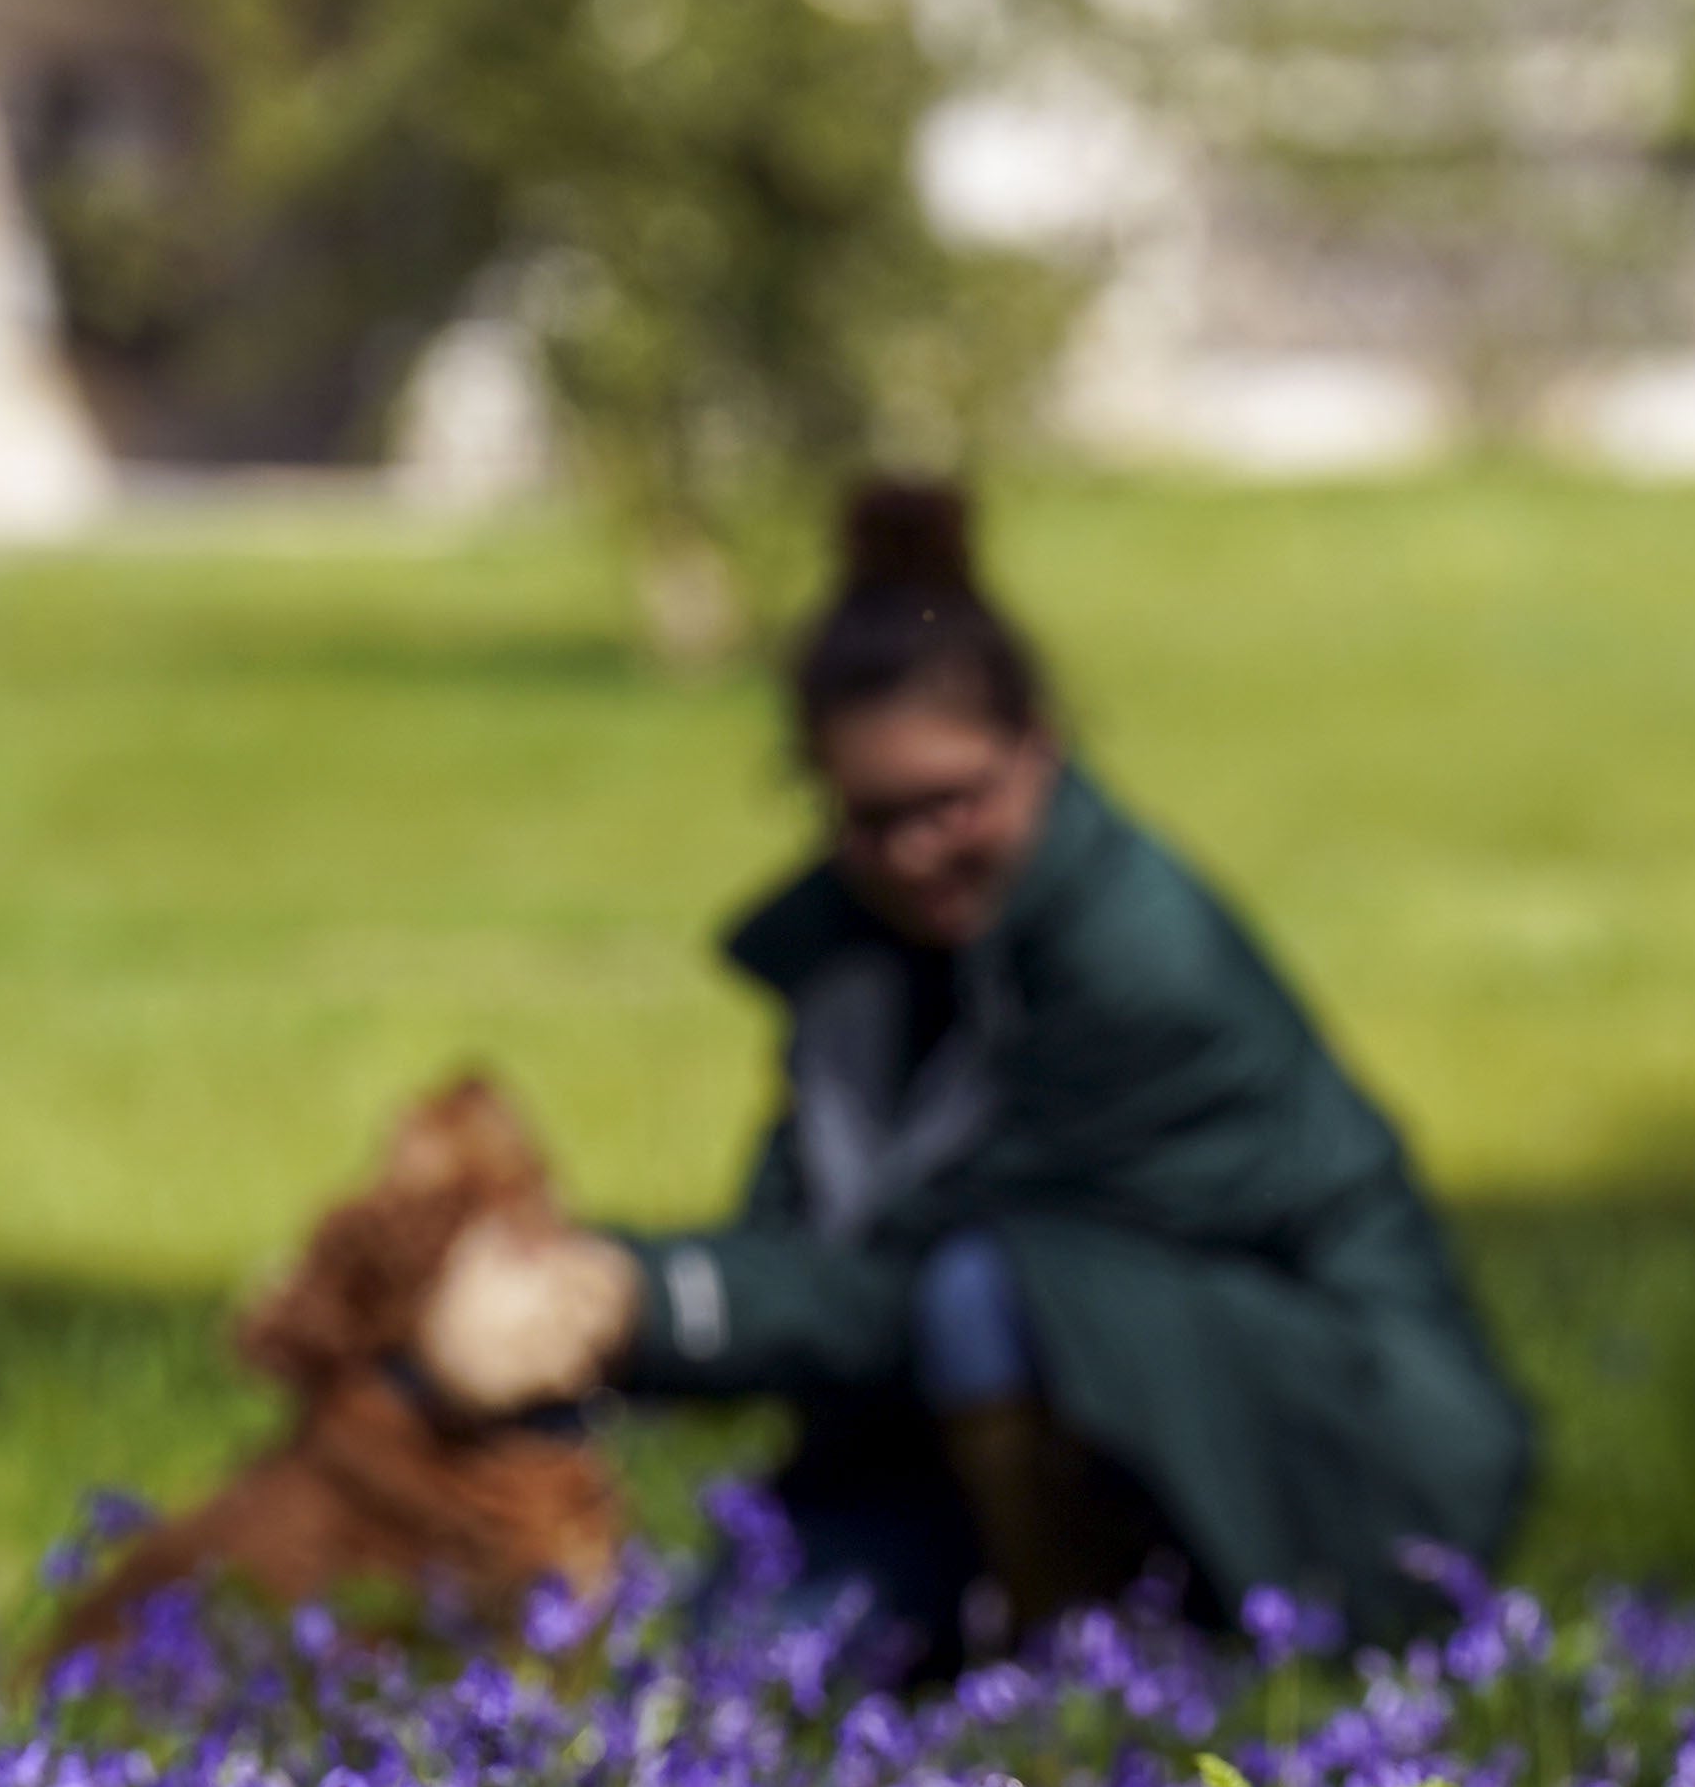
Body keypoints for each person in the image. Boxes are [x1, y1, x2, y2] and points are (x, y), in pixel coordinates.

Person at [417, 479, 1534, 1666]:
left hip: (1323, 1450)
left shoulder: (1140, 967)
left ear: (1038, 750)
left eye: (951, 803)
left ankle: (1080, 1667)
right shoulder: (856, 964)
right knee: (741, 1660)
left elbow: (900, 1290)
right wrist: (561, 1294)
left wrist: (641, 1302)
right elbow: (802, 1244)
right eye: (872, 816)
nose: (914, 853)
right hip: (974, 1428)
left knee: (977, 1296)